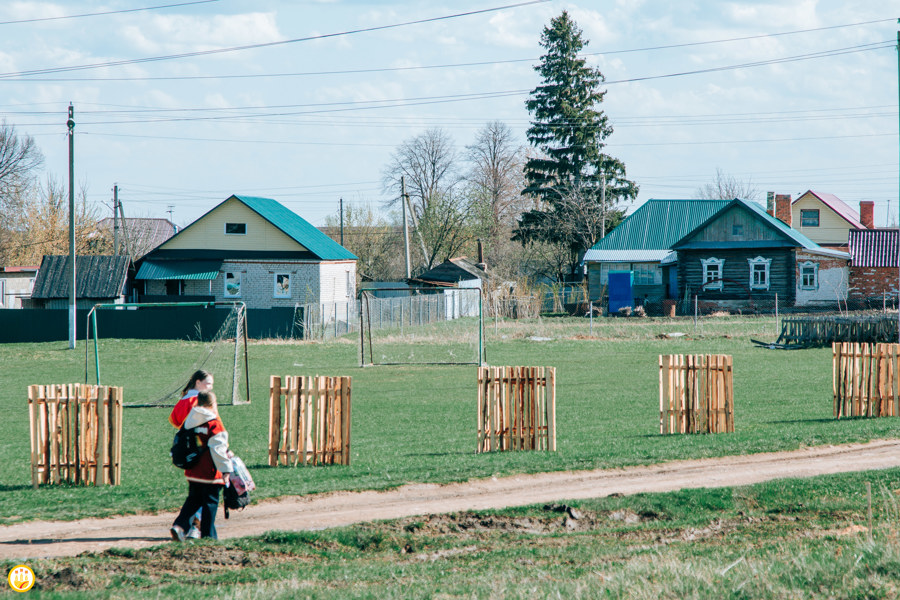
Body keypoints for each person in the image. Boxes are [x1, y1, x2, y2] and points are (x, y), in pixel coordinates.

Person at [170, 391, 233, 541]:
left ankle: (179, 526)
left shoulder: (189, 420)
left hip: (193, 469)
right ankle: (208, 536)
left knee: (193, 500)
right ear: (212, 404)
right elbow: (218, 449)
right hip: (210, 471)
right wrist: (226, 469)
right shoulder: (214, 423)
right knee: (210, 503)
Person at [168, 370, 214, 539]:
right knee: (206, 492)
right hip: (202, 450)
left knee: (195, 493)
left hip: (187, 451)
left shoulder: (184, 399)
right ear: (198, 382)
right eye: (208, 384)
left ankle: (184, 525)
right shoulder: (199, 401)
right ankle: (196, 526)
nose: (210, 387)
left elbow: (174, 420)